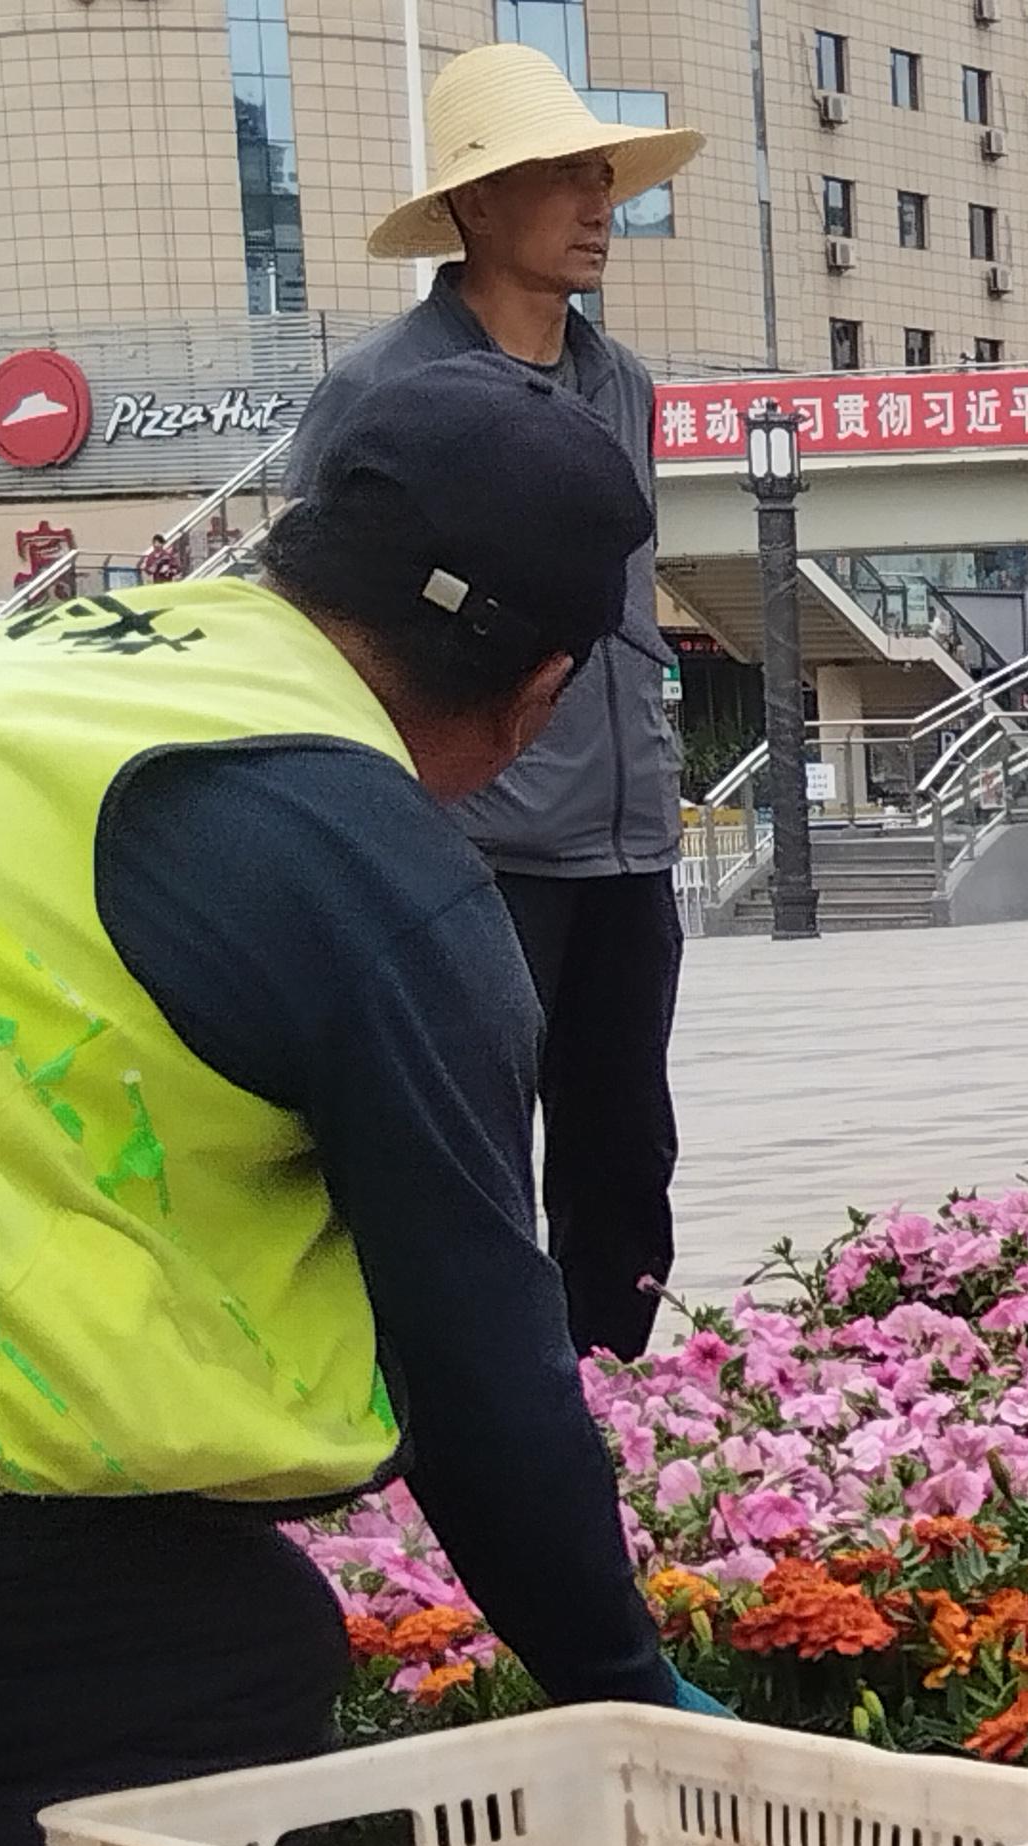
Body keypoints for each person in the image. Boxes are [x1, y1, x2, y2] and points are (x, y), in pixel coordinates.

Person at [0, 356, 715, 1846]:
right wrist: (631, 1693)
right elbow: (483, 1375)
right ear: (541, 691)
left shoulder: (11, 669)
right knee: (216, 1688)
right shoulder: (374, 876)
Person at [292, 43, 700, 1356]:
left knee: (625, 1159)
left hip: (627, 845)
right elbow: (319, 621)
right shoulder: (380, 391)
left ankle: (625, 1419)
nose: (597, 204)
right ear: (474, 202)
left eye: (604, 176)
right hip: (469, 850)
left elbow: (623, 610)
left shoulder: (623, 384)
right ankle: (468, 1424)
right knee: (461, 1160)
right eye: (561, 176)